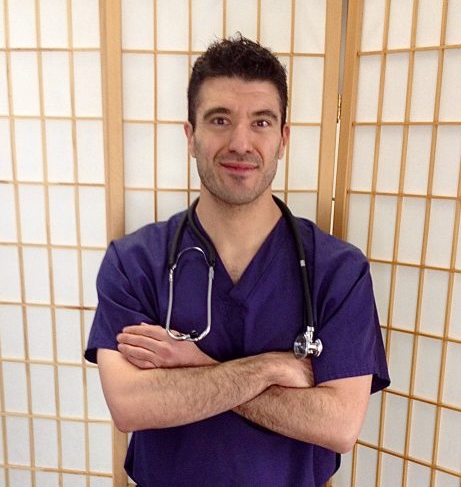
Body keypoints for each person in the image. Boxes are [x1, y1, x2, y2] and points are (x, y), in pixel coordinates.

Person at [85, 35, 390, 487]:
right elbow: (131, 406)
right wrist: (269, 368)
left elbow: (339, 425)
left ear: (283, 139)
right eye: (220, 119)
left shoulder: (338, 271)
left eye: (261, 122)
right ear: (191, 136)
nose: (240, 142)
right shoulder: (135, 263)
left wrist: (193, 364)